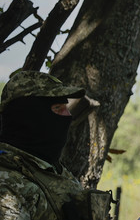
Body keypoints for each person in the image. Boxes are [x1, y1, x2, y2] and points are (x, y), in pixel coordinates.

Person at [0, 70, 112, 220]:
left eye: (65, 108)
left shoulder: (50, 169)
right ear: (30, 117)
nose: (68, 116)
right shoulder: (7, 184)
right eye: (58, 108)